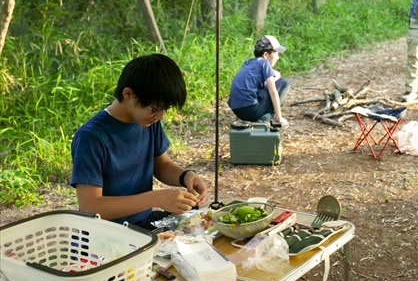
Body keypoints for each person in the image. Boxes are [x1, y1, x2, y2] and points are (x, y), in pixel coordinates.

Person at [70, 54, 208, 229]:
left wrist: (186, 176)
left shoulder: (148, 122)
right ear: (128, 94)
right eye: (155, 109)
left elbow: (161, 165)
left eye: (166, 109)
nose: (160, 116)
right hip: (105, 236)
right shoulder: (92, 137)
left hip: (142, 224)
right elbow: (92, 207)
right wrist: (156, 198)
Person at [228, 35, 290, 128]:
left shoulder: (248, 63)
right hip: (252, 111)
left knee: (264, 87)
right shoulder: (264, 63)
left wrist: (277, 75)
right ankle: (268, 116)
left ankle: (263, 114)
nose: (278, 58)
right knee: (284, 82)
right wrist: (279, 117)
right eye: (276, 53)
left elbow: (273, 75)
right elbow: (273, 91)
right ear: (265, 55)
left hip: (237, 110)